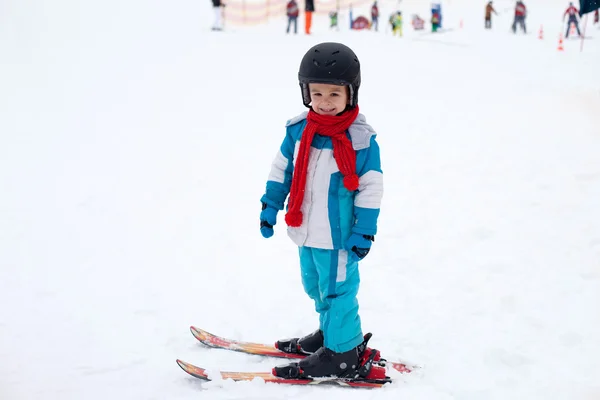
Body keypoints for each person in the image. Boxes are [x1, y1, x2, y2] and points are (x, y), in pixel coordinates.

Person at [259, 42, 383, 379]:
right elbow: (282, 170)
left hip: (340, 237)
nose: (325, 102)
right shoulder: (299, 131)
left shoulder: (360, 140)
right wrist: (270, 205)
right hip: (306, 231)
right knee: (315, 286)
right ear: (306, 92)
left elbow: (371, 187)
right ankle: (331, 335)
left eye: (334, 94)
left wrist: (364, 230)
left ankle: (342, 354)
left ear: (351, 94)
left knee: (338, 291)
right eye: (318, 94)